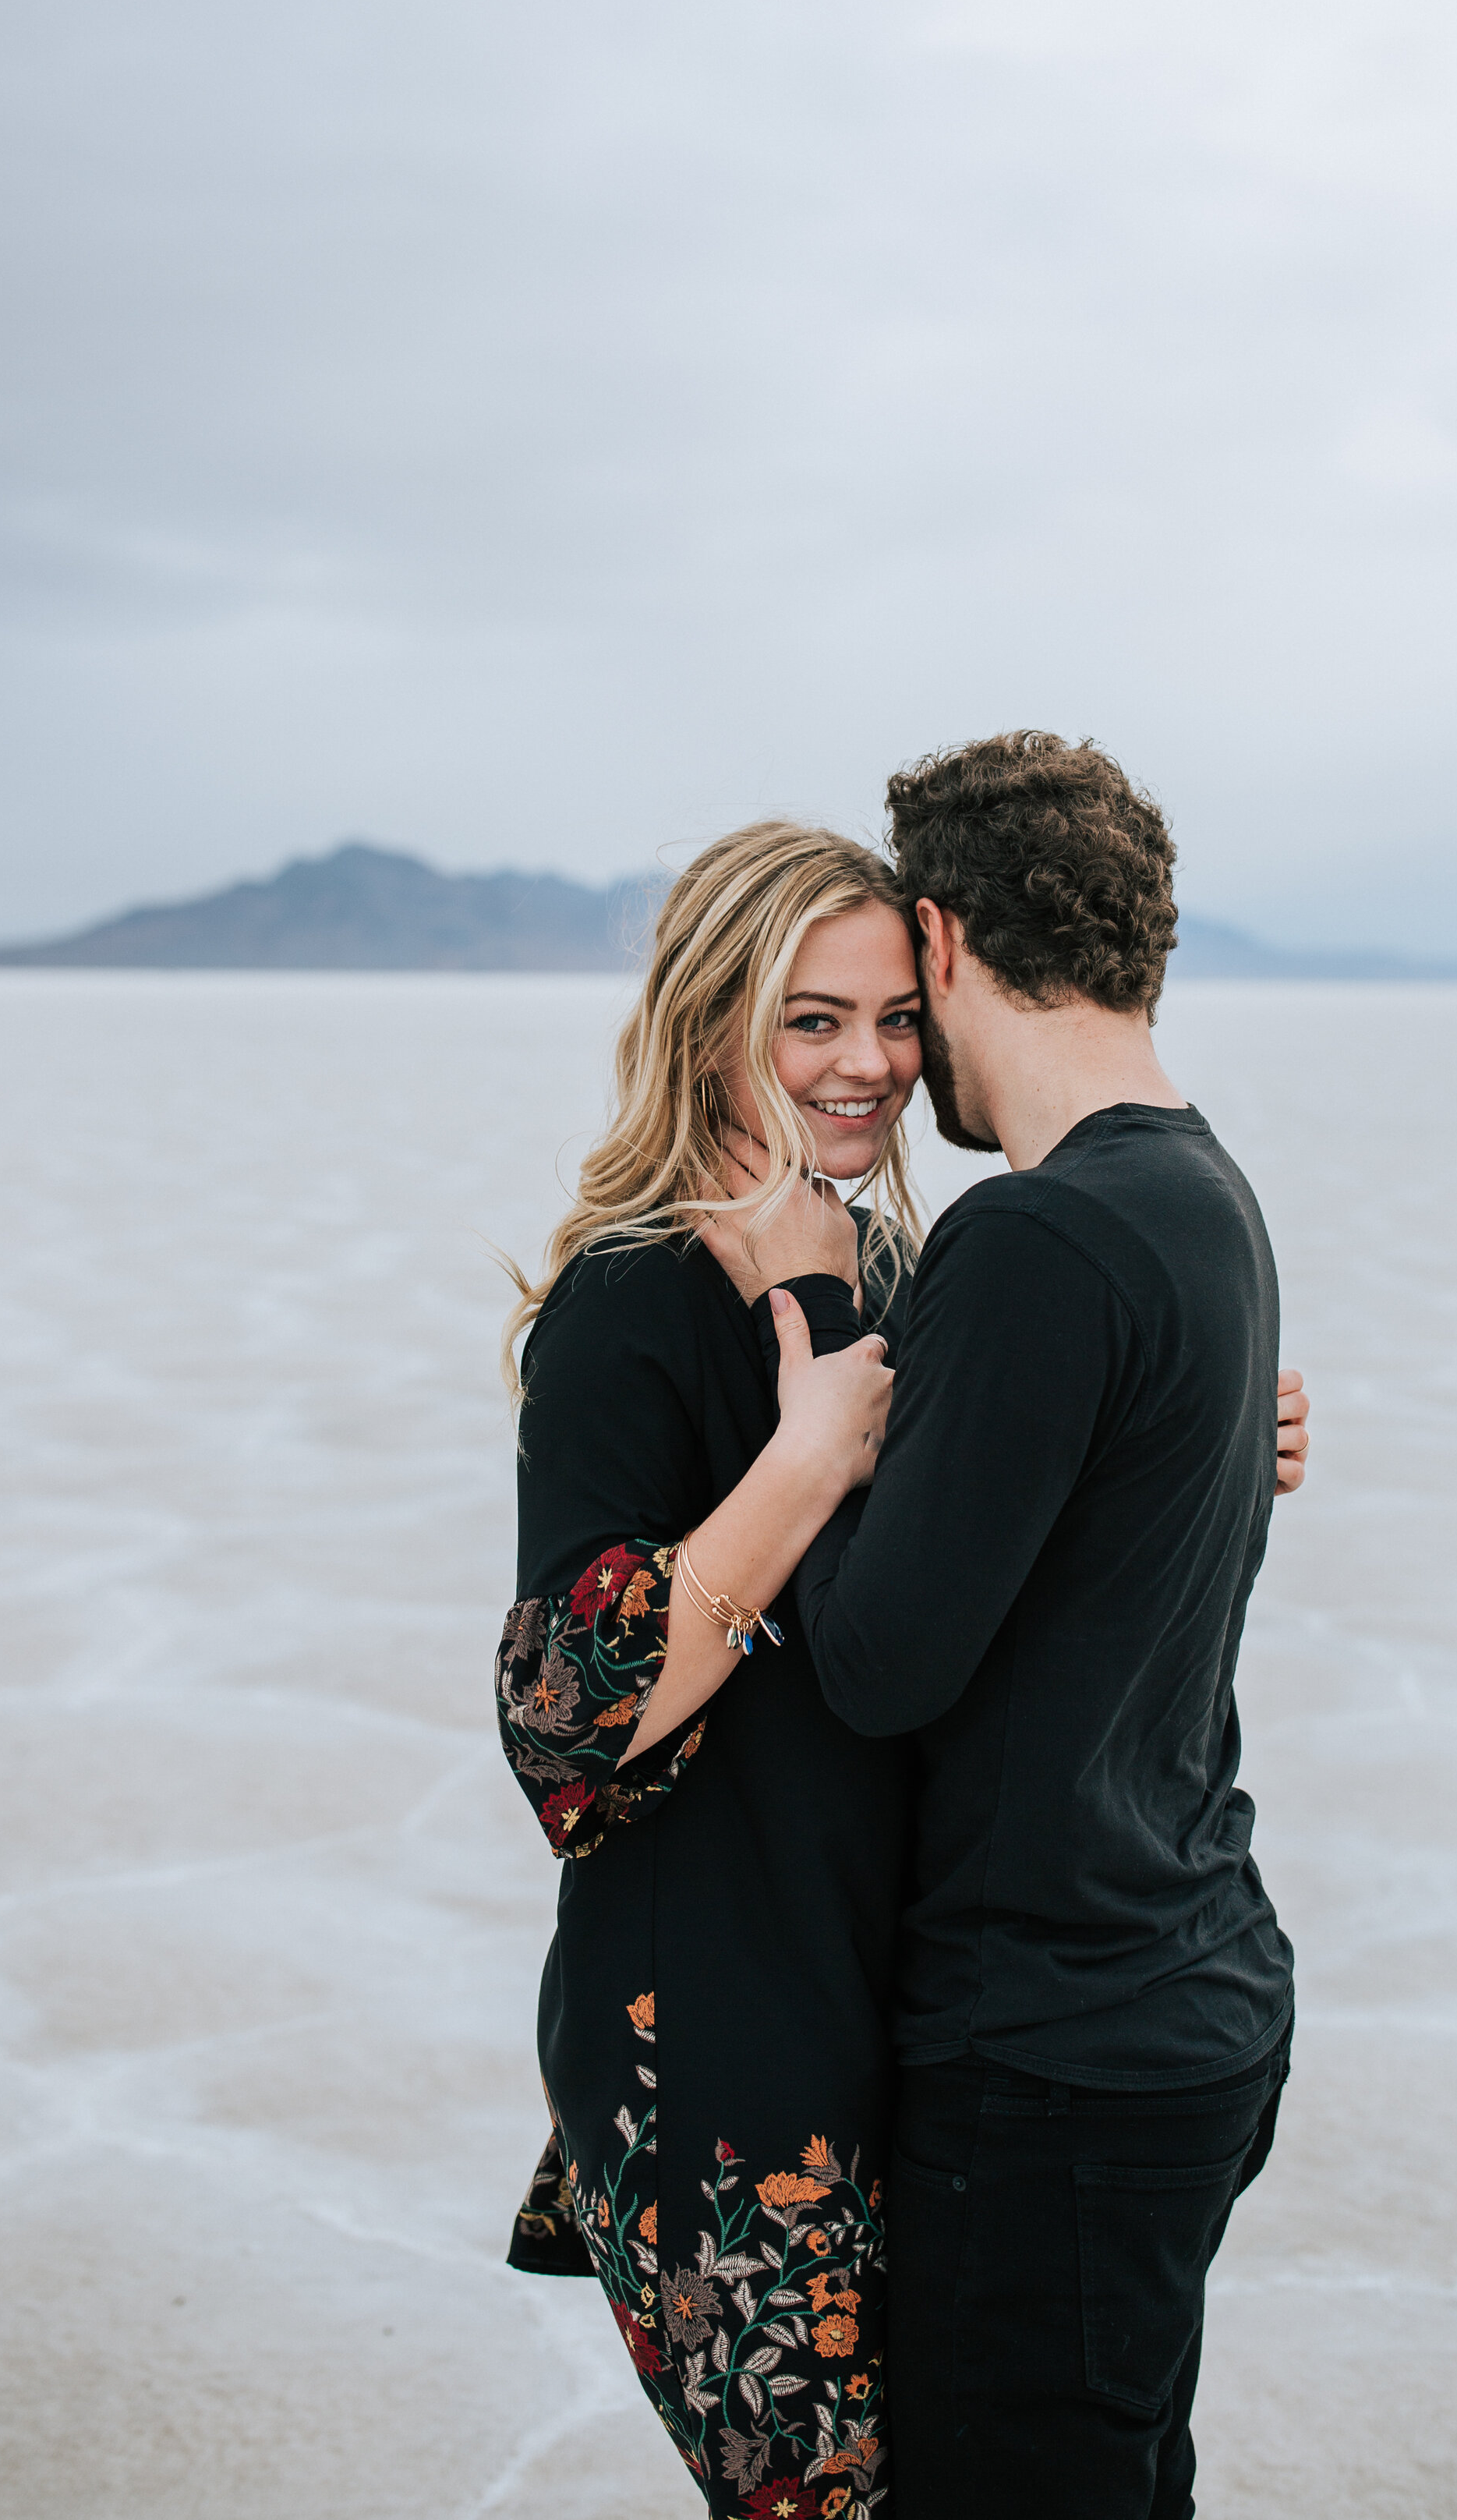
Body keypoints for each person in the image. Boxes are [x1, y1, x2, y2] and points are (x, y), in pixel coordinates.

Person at [496, 802, 1310, 2517]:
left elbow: (966, 1598)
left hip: (890, 2008)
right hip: (721, 2034)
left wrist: (1195, 1433)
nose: (864, 1065)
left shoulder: (892, 1260)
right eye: (809, 1020)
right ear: (705, 1023)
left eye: (890, 1017)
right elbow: (562, 1721)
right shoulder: (632, 1303)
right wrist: (801, 1457)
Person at [796, 732, 1296, 2520]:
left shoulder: (1034, 1239)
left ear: (937, 940)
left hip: (1053, 2048)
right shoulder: (1204, 1193)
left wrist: (817, 1452)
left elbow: (875, 1668)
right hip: (1187, 1982)